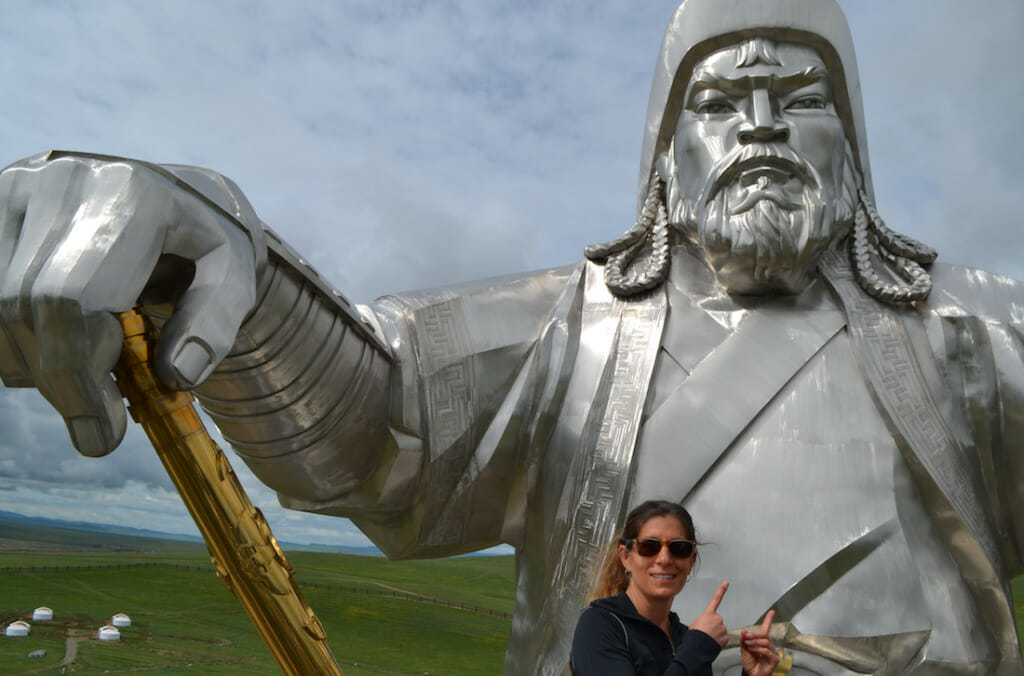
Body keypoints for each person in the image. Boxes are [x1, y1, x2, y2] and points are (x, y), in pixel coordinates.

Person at [0, 0, 1022, 673]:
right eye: (718, 102)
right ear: (666, 159)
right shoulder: (572, 328)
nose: (760, 123)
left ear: (853, 148)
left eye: (799, 99)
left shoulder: (974, 335)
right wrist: (223, 260)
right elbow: (379, 417)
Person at [570, 501, 779, 676]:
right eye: (649, 547)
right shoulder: (599, 625)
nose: (664, 559)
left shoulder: (685, 638)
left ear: (691, 560)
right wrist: (697, 648)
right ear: (625, 557)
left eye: (679, 548)